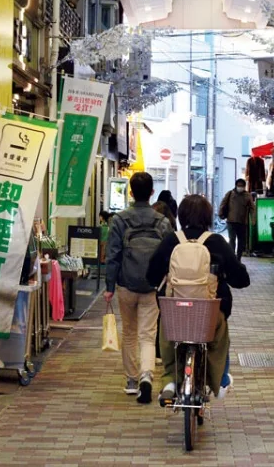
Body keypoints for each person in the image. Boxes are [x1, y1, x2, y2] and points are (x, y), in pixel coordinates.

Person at [147, 194, 250, 402]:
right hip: (208, 312)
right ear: (207, 217)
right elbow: (241, 279)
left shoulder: (171, 241)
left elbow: (151, 275)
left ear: (181, 216)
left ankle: (170, 380)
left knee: (166, 331)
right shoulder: (217, 242)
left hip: (175, 310)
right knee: (219, 339)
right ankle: (220, 380)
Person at [104, 172, 173, 403]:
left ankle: (132, 381)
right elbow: (169, 255)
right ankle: (146, 375)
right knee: (147, 334)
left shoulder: (119, 220)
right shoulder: (162, 222)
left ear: (131, 193)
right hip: (152, 287)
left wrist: (109, 286)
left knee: (129, 333)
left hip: (126, 285)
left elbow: (113, 255)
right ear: (152, 192)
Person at [219, 178, 254, 259]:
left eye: (242, 186)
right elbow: (223, 204)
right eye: (239, 185)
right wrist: (221, 214)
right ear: (236, 186)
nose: (240, 187)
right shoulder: (230, 194)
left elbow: (252, 208)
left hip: (242, 222)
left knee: (241, 241)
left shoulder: (247, 196)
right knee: (232, 239)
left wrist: (253, 220)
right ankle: (232, 257)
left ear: (244, 187)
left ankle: (238, 257)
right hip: (231, 221)